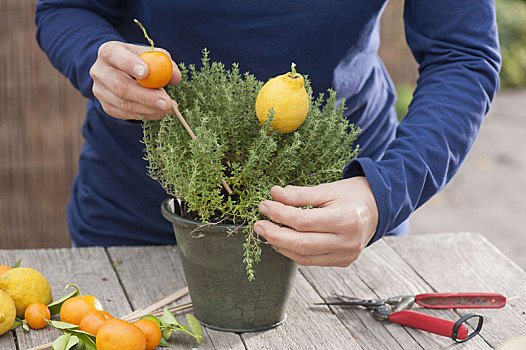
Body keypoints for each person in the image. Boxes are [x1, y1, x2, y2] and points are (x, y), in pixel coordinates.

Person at [35, 1, 500, 267]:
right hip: (143, 208)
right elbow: (66, 6)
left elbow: (462, 53)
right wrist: (94, 58)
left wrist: (384, 192)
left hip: (339, 212)